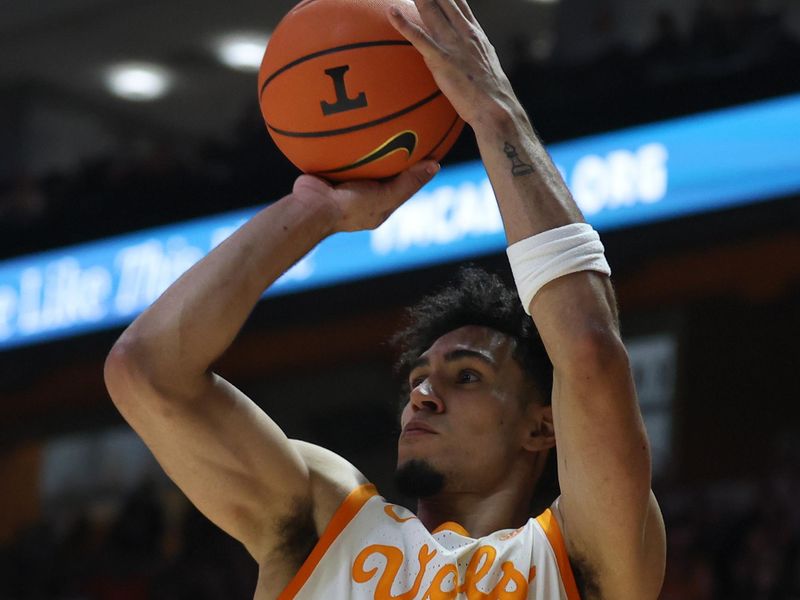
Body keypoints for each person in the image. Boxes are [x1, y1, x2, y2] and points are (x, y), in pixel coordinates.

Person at [104, 0, 666, 598]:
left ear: (542, 426)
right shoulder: (326, 526)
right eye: (419, 377)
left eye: (468, 376)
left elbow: (588, 351)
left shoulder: (578, 559)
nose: (423, 394)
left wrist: (494, 114)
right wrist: (312, 212)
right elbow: (146, 372)